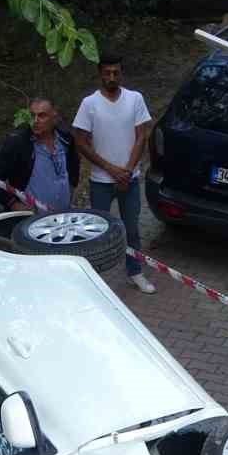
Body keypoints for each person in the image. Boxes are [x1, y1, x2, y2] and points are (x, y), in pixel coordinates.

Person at [73, 55, 156, 293]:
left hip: (129, 179)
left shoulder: (135, 99)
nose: (112, 77)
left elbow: (142, 135)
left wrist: (127, 171)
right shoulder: (89, 103)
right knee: (97, 230)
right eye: (107, 73)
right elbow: (81, 142)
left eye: (116, 73)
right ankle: (95, 279)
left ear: (122, 73)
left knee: (131, 229)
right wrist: (110, 169)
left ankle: (135, 272)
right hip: (101, 180)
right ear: (100, 74)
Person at [0, 97, 80, 213]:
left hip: (63, 214)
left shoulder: (65, 139)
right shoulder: (18, 143)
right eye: (32, 115)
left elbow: (74, 164)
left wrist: (72, 186)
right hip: (32, 220)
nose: (35, 120)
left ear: (54, 117)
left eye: (42, 116)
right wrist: (13, 204)